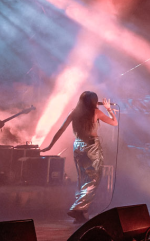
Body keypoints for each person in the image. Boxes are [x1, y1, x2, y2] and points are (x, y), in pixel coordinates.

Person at [42, 91, 118, 222]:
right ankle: (77, 207)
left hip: (78, 146)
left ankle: (82, 213)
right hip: (92, 146)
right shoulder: (96, 112)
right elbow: (114, 123)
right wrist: (109, 109)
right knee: (93, 179)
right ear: (94, 101)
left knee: (83, 178)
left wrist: (50, 145)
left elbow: (60, 130)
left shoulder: (74, 112)